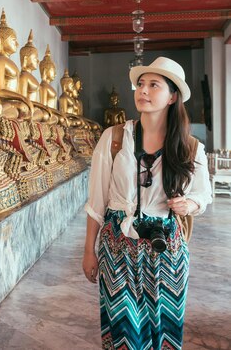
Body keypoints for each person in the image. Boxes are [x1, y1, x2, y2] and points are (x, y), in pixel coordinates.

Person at [82, 57, 212, 349]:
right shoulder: (114, 139)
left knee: (165, 329)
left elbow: (203, 194)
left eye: (154, 85)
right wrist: (88, 251)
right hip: (118, 246)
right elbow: (96, 202)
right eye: (141, 84)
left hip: (168, 248)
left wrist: (189, 205)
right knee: (124, 332)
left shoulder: (190, 147)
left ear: (172, 96)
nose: (143, 90)